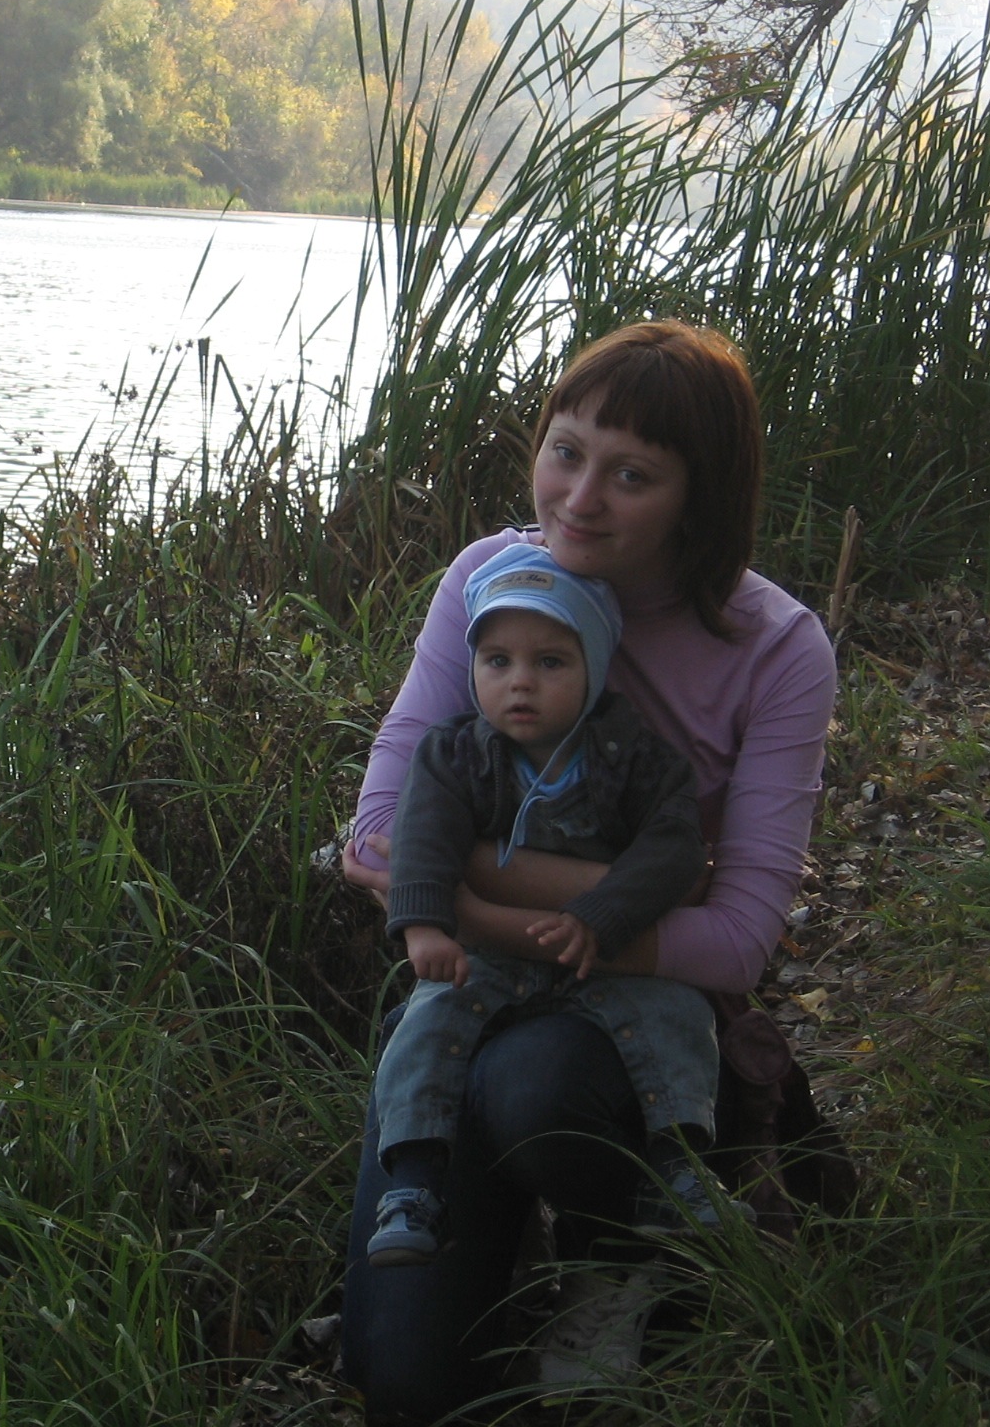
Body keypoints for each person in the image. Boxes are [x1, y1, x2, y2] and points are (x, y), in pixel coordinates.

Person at [339, 321, 836, 1412]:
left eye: (632, 475)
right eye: (565, 452)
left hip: (634, 1020)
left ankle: (631, 1253)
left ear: (699, 498)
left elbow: (737, 942)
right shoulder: (487, 581)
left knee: (538, 1083)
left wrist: (467, 897)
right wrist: (647, 891)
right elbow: (374, 836)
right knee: (405, 1388)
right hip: (471, 993)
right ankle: (494, 1242)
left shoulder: (775, 648)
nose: (580, 498)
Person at [366, 542, 738, 1271]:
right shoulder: (456, 755)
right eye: (497, 661)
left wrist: (601, 915)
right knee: (425, 1023)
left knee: (676, 1016)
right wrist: (425, 927)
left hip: (601, 956)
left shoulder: (632, 756)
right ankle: (413, 1181)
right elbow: (421, 839)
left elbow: (675, 851)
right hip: (491, 960)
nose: (521, 682)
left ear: (594, 666)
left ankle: (680, 1167)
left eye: (550, 662)